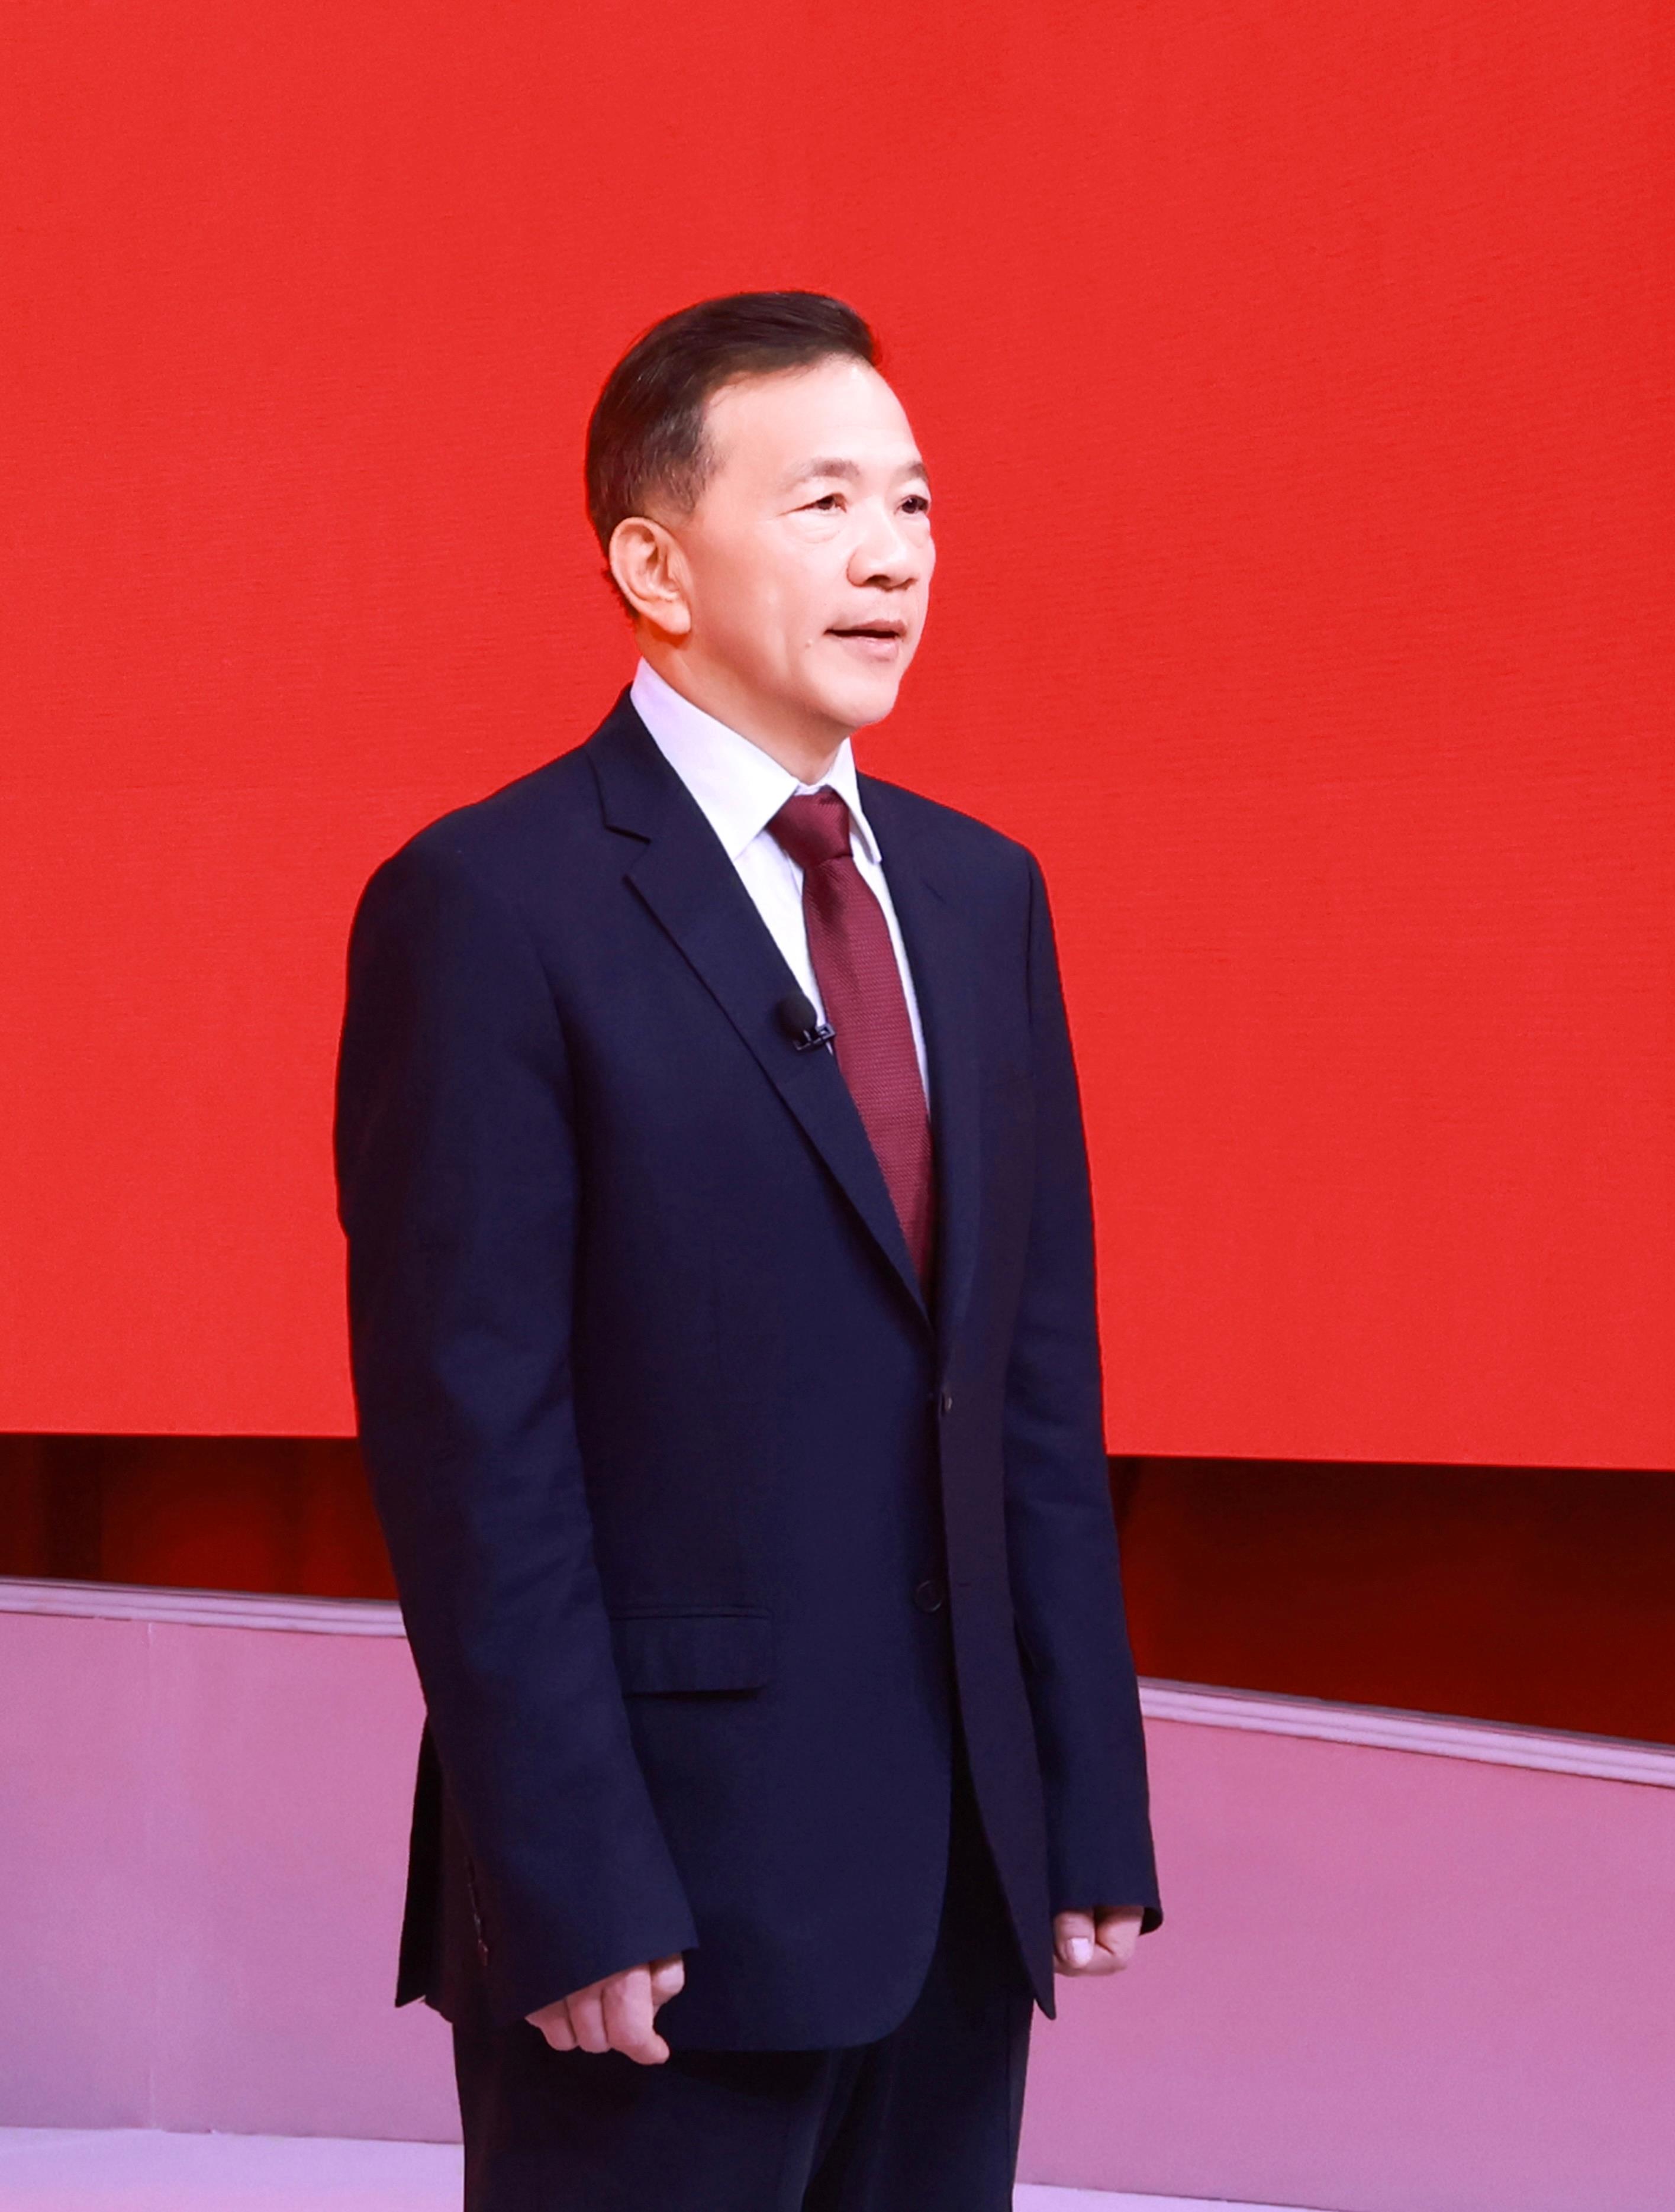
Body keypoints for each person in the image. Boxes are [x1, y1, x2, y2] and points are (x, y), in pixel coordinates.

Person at [334, 291, 1159, 2207]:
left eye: (914, 503)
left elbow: (1032, 1381)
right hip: (658, 1910)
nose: (891, 556)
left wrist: (1081, 1792)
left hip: (957, 1886)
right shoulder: (491, 904)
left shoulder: (981, 894)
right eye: (822, 503)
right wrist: (567, 1874)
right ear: (654, 563)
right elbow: (475, 1446)